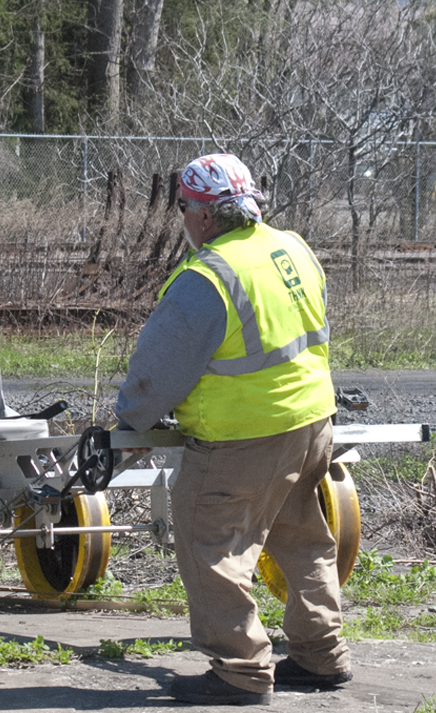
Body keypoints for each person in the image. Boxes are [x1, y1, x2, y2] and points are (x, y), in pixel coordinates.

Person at [114, 153, 351, 705]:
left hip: (243, 436)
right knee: (302, 535)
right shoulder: (293, 247)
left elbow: (158, 374)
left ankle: (240, 672)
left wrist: (131, 422)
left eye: (184, 208)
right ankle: (321, 655)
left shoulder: (209, 277)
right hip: (312, 421)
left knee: (210, 543)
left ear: (200, 214)